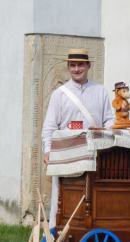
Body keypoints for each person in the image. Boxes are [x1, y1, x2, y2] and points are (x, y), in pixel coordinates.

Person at [41, 48, 115, 229]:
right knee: (63, 199)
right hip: (67, 155)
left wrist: (107, 131)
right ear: (68, 67)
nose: (76, 69)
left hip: (94, 154)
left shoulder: (100, 91)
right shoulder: (59, 94)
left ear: (88, 65)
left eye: (80, 64)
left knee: (93, 199)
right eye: (73, 65)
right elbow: (50, 126)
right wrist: (48, 150)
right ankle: (57, 241)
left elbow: (110, 119)